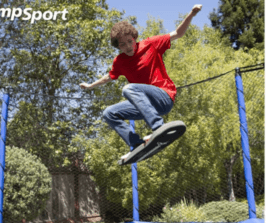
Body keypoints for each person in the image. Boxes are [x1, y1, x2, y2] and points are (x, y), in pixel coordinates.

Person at [80, 4, 202, 159]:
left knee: (128, 89)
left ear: (134, 38)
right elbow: (108, 77)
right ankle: (136, 144)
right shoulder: (119, 61)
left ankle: (158, 127)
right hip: (145, 105)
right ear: (118, 46)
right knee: (109, 113)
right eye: (122, 44)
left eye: (129, 41)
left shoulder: (150, 44)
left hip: (164, 97)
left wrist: (192, 13)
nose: (128, 47)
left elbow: (177, 33)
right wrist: (90, 86)